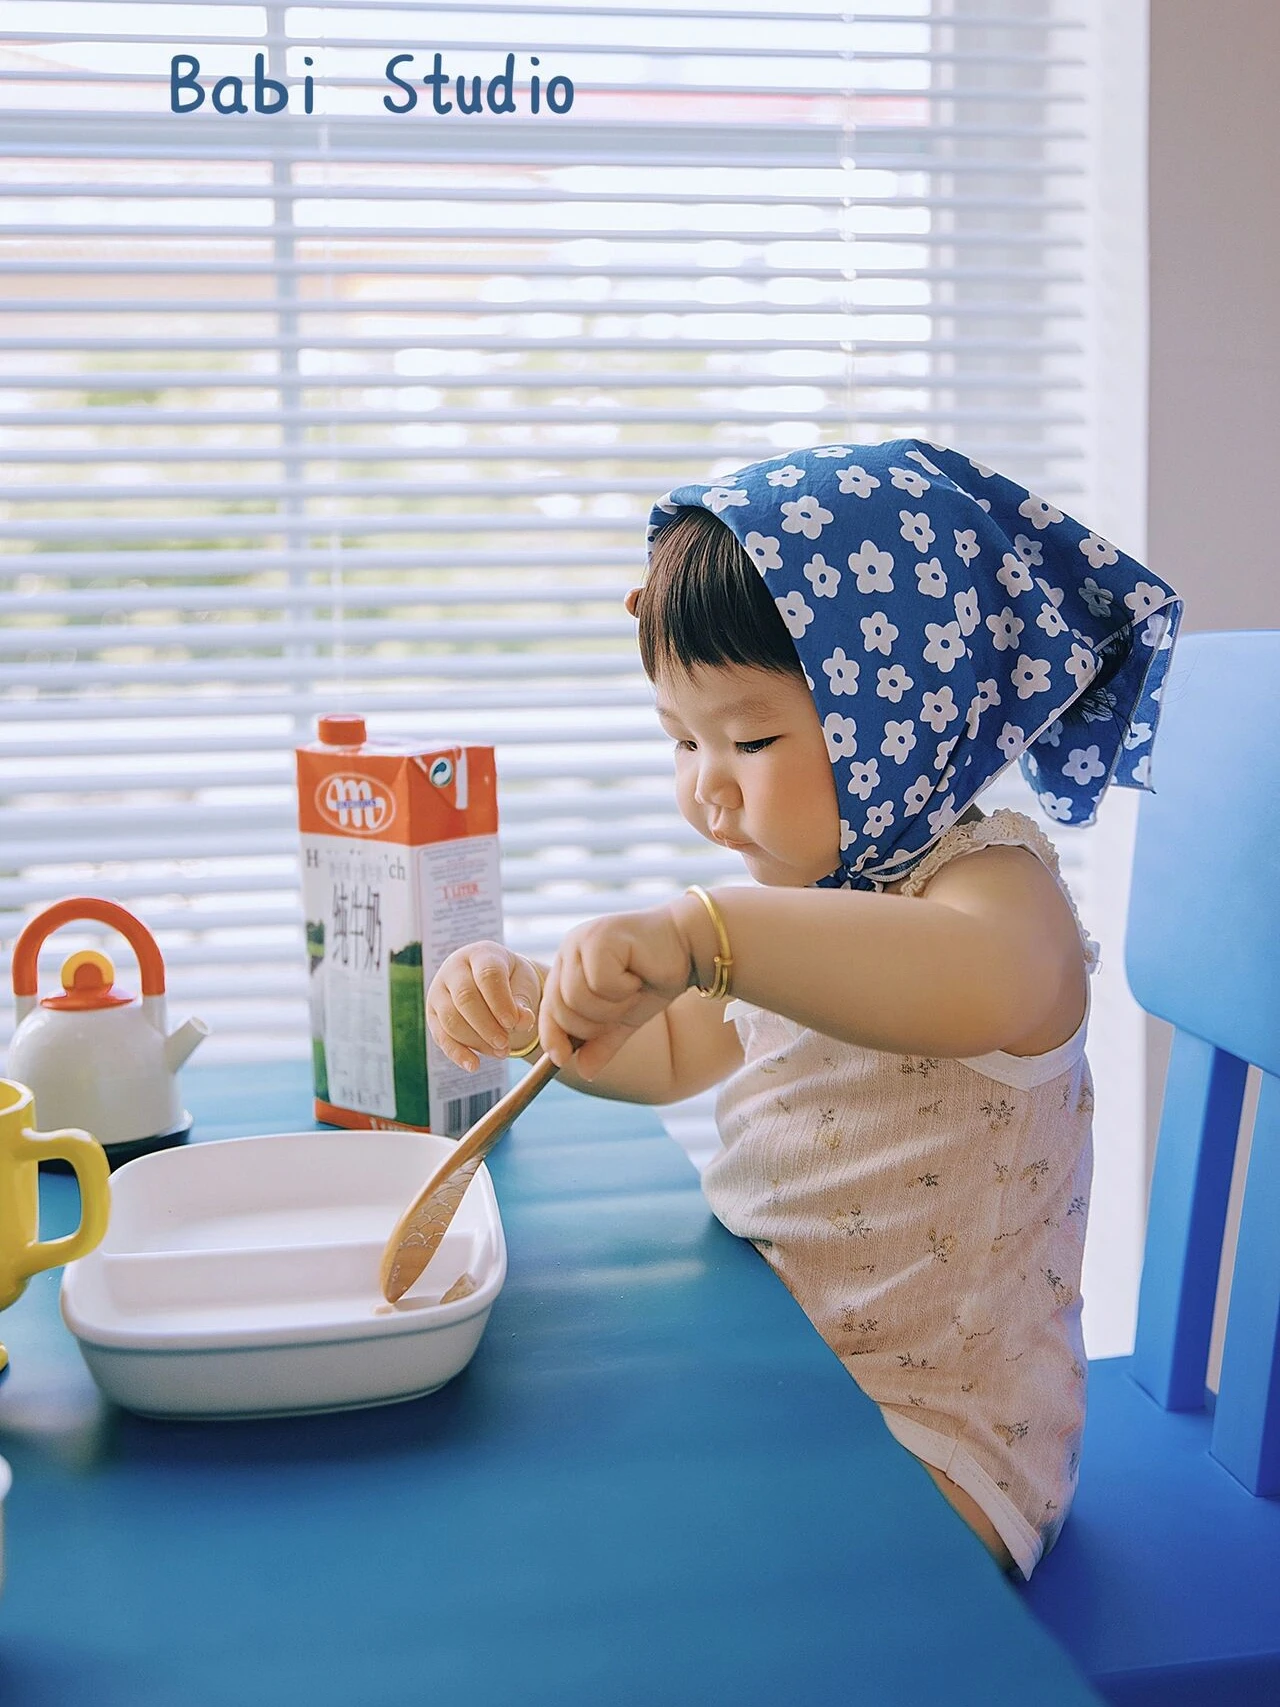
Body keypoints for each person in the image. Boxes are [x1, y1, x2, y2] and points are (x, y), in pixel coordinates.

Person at [426, 437, 1181, 1581]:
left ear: (902, 709)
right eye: (681, 740)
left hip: (935, 1437)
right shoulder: (809, 900)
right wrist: (557, 1011)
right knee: (544, 1493)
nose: (706, 784)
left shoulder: (991, 893)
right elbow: (678, 1047)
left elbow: (973, 977)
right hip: (789, 1364)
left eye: (751, 737)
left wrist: (702, 936)